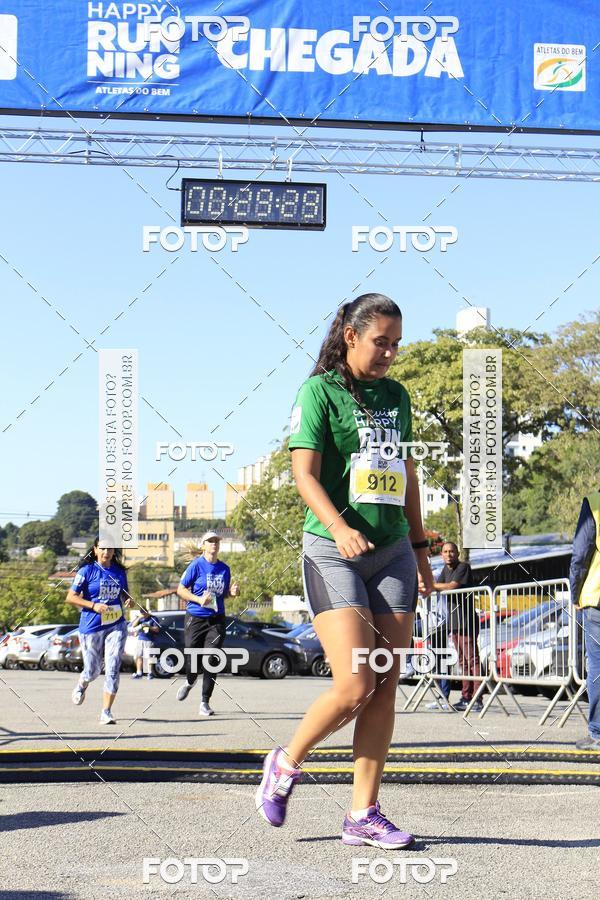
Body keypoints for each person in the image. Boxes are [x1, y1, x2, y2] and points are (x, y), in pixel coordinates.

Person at [255, 293, 434, 848]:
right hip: (334, 551)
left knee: (384, 686)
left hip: (393, 550)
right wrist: (337, 526)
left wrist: (421, 548)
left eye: (396, 344)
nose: (390, 353)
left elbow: (405, 471)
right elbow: (304, 475)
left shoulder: (397, 396)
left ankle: (363, 813)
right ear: (352, 336)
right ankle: (285, 761)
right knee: (355, 682)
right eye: (382, 342)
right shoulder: (319, 391)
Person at [65, 539, 131, 724]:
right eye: (102, 548)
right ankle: (82, 683)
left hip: (116, 624)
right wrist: (93, 605)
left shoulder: (119, 572)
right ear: (95, 550)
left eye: (110, 548)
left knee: (112, 667)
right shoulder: (86, 571)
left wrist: (128, 601)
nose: (106, 551)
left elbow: (125, 594)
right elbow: (71, 597)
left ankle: (106, 712)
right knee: (93, 671)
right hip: (91, 626)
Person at [175, 532, 239, 716]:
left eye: (217, 541)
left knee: (211, 659)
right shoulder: (196, 566)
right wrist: (197, 599)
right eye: (210, 541)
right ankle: (189, 681)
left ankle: (205, 702)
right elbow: (181, 589)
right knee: (192, 660)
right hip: (195, 618)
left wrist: (232, 593)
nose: (214, 544)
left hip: (216, 620)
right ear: (203, 545)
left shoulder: (224, 569)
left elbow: (223, 593)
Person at [432, 541, 482, 712]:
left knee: (472, 660)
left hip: (466, 621)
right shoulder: (445, 570)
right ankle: (465, 697)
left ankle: (477, 698)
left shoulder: (463, 567)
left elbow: (452, 586)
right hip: (454, 623)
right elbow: (439, 587)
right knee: (462, 662)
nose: (448, 554)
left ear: (457, 553)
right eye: (445, 552)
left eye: (451, 551)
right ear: (441, 554)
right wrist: (435, 586)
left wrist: (432, 586)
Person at [569, 491, 600, 751]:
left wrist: (575, 592)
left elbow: (581, 552)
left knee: (598, 667)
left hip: (597, 598)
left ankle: (598, 732)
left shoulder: (594, 502)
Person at [131, 608, 160, 679]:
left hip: (149, 640)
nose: (143, 614)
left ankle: (150, 673)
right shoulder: (140, 619)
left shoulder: (153, 618)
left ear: (147, 612)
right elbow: (133, 625)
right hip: (141, 639)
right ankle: (139, 672)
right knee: (139, 656)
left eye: (144, 612)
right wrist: (139, 618)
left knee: (150, 657)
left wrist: (149, 627)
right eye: (141, 613)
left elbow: (157, 629)